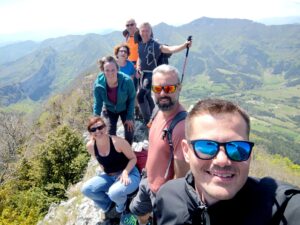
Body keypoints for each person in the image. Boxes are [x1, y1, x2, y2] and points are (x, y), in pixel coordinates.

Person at [154, 99, 300, 225]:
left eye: (237, 147)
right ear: (186, 151)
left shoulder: (281, 208)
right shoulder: (167, 197)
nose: (222, 160)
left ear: (249, 155)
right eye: (206, 146)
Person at [129, 65, 190, 224]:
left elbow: (181, 179)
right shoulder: (157, 111)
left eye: (169, 88)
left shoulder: (181, 128)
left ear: (179, 88)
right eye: (157, 88)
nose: (163, 93)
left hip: (162, 194)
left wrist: (169, 204)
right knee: (137, 210)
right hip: (147, 178)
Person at [81, 116, 141, 224]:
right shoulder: (90, 146)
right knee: (87, 189)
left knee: (114, 192)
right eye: (93, 129)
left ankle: (121, 209)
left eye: (100, 127)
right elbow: (100, 161)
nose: (97, 131)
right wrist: (108, 176)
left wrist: (125, 172)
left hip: (130, 173)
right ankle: (110, 206)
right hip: (110, 176)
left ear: (106, 127)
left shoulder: (117, 142)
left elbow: (133, 158)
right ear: (90, 132)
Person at [136, 22, 192, 125]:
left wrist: (184, 46)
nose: (144, 33)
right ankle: (155, 117)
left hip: (153, 75)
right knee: (149, 97)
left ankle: (148, 120)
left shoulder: (155, 45)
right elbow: (140, 57)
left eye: (147, 31)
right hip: (143, 75)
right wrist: (138, 67)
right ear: (139, 32)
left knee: (141, 96)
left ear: (150, 32)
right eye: (142, 31)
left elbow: (169, 49)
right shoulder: (140, 44)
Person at [94, 56, 135, 145]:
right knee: (109, 133)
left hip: (125, 107)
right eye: (107, 70)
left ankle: (128, 150)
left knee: (129, 131)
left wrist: (129, 117)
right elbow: (98, 103)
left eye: (113, 70)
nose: (110, 73)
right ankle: (114, 151)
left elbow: (132, 98)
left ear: (117, 69)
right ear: (103, 70)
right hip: (109, 109)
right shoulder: (98, 84)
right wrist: (95, 118)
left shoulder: (127, 81)